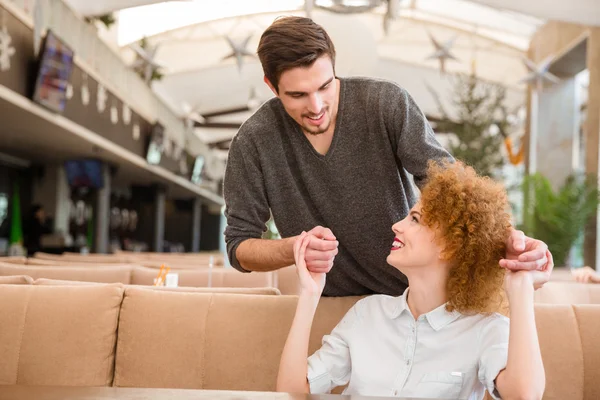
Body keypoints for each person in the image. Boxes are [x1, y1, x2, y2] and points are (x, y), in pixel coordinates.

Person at [223, 16, 551, 296]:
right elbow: (239, 246)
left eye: (325, 86)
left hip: (415, 297)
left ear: (334, 68)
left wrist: (507, 239)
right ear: (271, 85)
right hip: (335, 310)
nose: (316, 106)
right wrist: (293, 248)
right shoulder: (253, 142)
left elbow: (450, 183)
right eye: (297, 95)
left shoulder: (384, 103)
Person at [277, 161, 549, 399]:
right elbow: (292, 391)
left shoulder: (485, 330)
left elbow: (524, 395)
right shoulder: (368, 314)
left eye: (415, 219)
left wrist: (521, 286)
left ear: (451, 246)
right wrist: (310, 295)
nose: (397, 225)